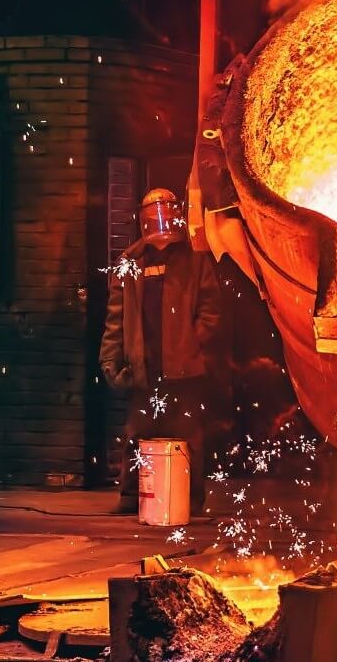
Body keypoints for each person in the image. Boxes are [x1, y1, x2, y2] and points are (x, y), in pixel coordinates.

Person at [100, 188, 223, 514]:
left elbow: (211, 311)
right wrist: (111, 359)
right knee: (137, 434)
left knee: (188, 437)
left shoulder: (195, 258)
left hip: (184, 369)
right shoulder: (130, 261)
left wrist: (191, 346)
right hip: (144, 365)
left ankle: (190, 501)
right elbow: (116, 316)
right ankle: (131, 498)